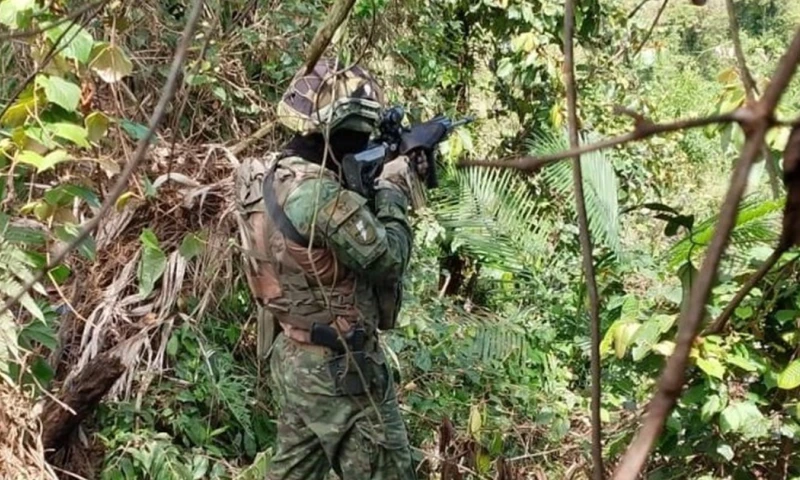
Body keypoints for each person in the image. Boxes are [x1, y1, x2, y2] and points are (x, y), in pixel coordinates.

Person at [234, 57, 421, 480]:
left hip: (295, 354)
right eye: (358, 136)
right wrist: (392, 190)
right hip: (343, 368)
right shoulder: (320, 197)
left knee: (293, 469)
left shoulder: (270, 175)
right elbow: (388, 260)